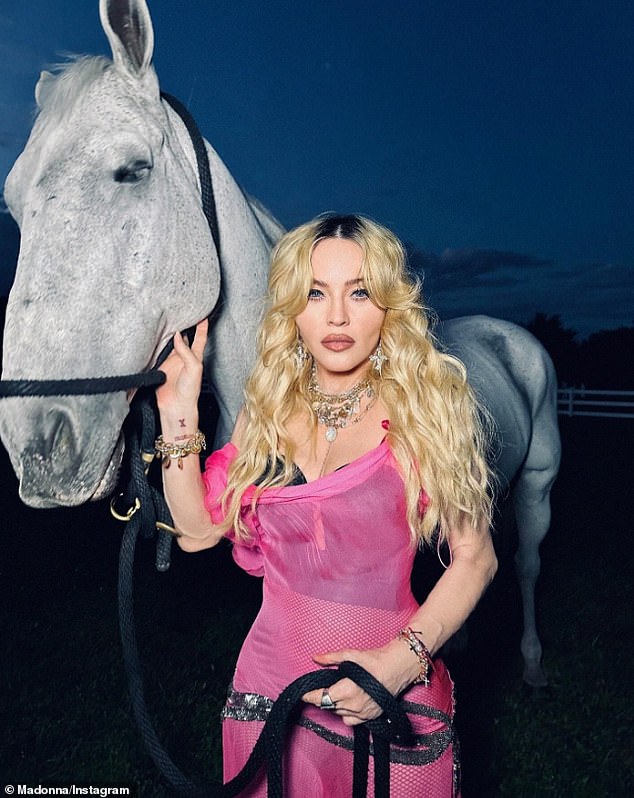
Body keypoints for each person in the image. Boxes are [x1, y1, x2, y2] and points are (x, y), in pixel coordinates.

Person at [155, 214, 498, 797]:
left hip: (392, 690)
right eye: (316, 293)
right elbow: (195, 531)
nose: (336, 316)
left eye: (359, 292)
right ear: (293, 306)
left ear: (389, 304)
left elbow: (477, 557)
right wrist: (178, 411)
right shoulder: (265, 410)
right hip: (269, 688)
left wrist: (397, 663)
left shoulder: (426, 409)